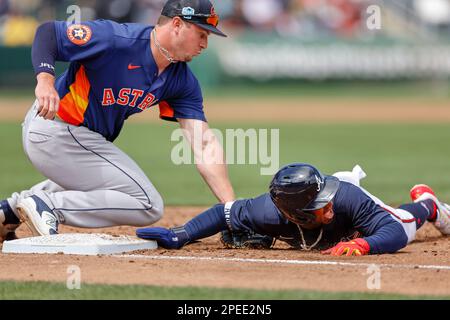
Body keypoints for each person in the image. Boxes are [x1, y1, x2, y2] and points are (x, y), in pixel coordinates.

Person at [0, 0, 235, 242]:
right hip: (56, 127)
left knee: (108, 182)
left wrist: (231, 210)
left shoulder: (182, 81)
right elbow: (48, 32)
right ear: (177, 24)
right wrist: (45, 81)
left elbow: (204, 144)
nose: (205, 44)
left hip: (78, 142)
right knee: (148, 203)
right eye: (201, 34)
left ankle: (9, 211)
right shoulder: (116, 39)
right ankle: (47, 204)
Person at [136, 163, 450, 256]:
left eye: (326, 202)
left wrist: (363, 243)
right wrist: (181, 235)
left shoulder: (344, 198)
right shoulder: (267, 211)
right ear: (294, 213)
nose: (328, 208)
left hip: (358, 201)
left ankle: (428, 203)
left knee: (406, 223)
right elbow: (224, 213)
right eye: (318, 207)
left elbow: (392, 233)